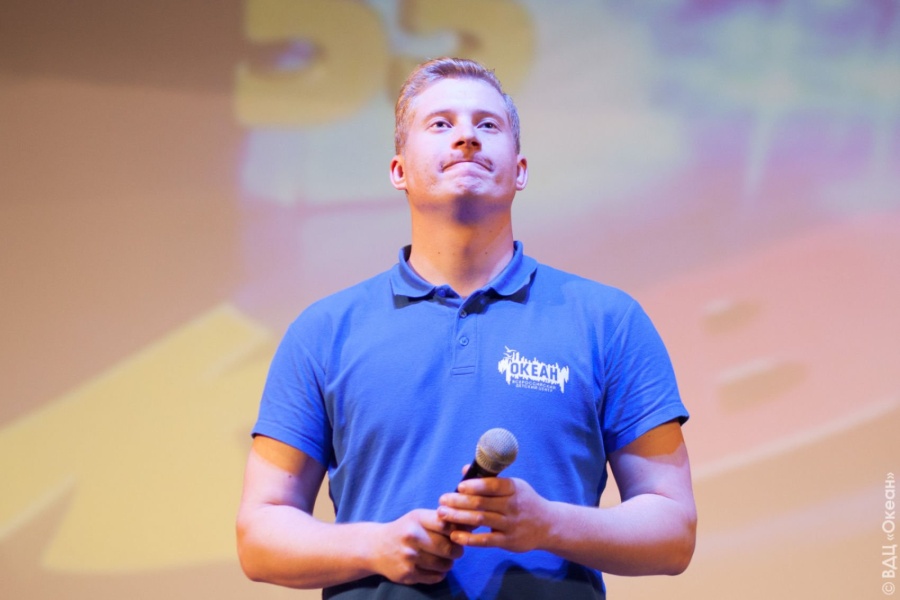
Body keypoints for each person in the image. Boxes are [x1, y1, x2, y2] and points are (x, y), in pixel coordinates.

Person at [237, 57, 696, 599]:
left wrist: (548, 524)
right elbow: (259, 534)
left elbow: (673, 530)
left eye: (487, 125)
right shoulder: (324, 331)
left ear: (520, 170)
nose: (466, 138)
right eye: (440, 124)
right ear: (399, 171)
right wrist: (374, 546)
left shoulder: (608, 321)